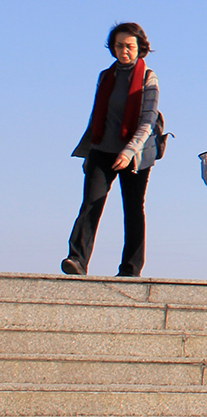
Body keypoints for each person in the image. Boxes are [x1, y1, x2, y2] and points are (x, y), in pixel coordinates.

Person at [64, 22, 161, 278]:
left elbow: (148, 120)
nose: (124, 51)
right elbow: (97, 116)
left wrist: (128, 151)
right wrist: (88, 152)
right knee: (90, 204)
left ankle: (130, 268)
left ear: (140, 48)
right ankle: (77, 259)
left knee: (132, 208)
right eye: (119, 46)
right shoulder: (105, 77)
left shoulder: (148, 78)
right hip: (102, 148)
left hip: (135, 154)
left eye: (130, 46)